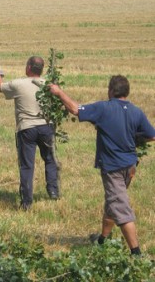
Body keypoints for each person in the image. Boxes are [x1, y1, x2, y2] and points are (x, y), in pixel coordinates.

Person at [49, 75, 155, 255]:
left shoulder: (103, 108)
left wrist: (59, 92)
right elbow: (152, 135)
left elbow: (75, 109)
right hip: (130, 167)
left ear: (111, 91)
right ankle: (101, 240)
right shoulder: (136, 111)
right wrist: (135, 140)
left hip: (112, 167)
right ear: (126, 92)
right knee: (112, 203)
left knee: (120, 207)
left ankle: (136, 254)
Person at [0, 56, 59, 210]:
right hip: (45, 127)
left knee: (27, 166)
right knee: (50, 159)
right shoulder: (48, 85)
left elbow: (0, 87)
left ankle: (27, 202)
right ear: (41, 70)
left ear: (28, 67)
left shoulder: (18, 84)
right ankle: (53, 191)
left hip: (26, 128)